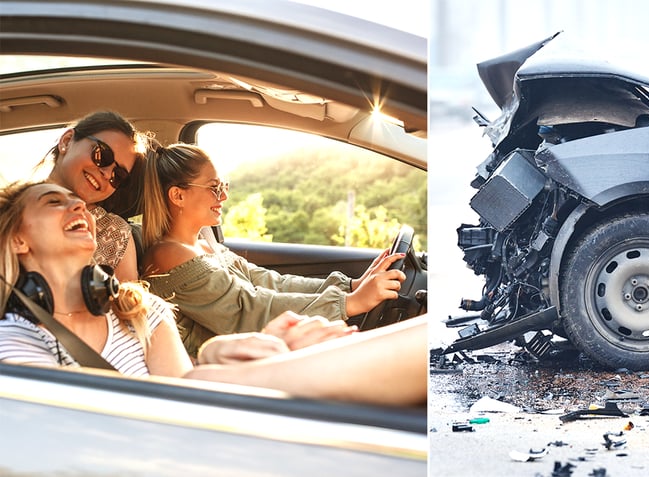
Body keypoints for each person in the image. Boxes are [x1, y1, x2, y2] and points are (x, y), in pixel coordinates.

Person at [0, 181, 427, 406]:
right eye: (55, 202)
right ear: (19, 240)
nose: (79, 207)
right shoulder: (13, 346)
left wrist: (223, 356)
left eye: (79, 203)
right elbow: (74, 427)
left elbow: (184, 389)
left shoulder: (139, 307)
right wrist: (221, 363)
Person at [141, 143, 408, 356]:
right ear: (178, 196)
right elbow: (247, 310)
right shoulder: (168, 256)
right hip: (210, 373)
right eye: (214, 188)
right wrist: (350, 303)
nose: (223, 196)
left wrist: (350, 286)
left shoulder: (202, 243)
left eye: (224, 186)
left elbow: (270, 283)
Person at [38, 110, 149, 282]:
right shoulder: (11, 206)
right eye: (102, 155)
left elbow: (129, 306)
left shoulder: (115, 233)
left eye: (118, 175)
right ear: (66, 141)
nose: (106, 173)